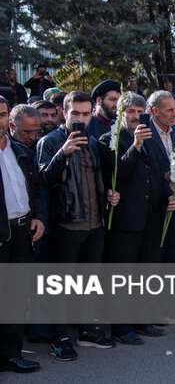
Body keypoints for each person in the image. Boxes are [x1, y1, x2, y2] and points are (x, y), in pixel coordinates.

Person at [37, 90, 120, 359]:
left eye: (85, 114)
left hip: (95, 223)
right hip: (67, 225)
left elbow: (100, 177)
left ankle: (87, 330)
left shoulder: (93, 142)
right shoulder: (50, 142)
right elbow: (44, 181)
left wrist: (109, 193)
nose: (81, 119)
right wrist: (63, 153)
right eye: (75, 113)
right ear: (64, 113)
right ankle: (60, 337)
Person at [99, 91, 175, 344]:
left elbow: (159, 173)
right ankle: (122, 328)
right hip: (125, 219)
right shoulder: (109, 139)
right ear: (119, 114)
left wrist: (169, 196)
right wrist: (136, 145)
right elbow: (118, 171)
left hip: (152, 215)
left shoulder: (151, 138)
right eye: (129, 112)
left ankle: (142, 319)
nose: (134, 116)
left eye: (138, 112)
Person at [0, 96, 45, 374]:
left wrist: (38, 217)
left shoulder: (21, 153)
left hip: (21, 232)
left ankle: (10, 355)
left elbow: (35, 190)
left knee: (15, 297)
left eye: (2, 113)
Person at [147, 90, 175, 264]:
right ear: (154, 111)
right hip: (155, 210)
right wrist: (165, 176)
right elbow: (144, 169)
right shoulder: (145, 133)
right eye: (170, 111)